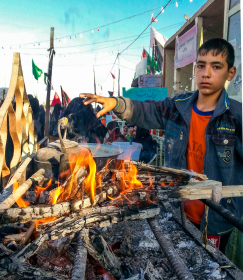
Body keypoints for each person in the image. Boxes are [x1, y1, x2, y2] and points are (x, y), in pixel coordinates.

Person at [80, 38, 243, 254]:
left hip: (217, 221)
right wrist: (117, 104)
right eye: (201, 65)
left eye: (216, 66)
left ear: (230, 73)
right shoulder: (176, 106)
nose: (206, 73)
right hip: (177, 211)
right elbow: (145, 111)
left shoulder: (236, 117)